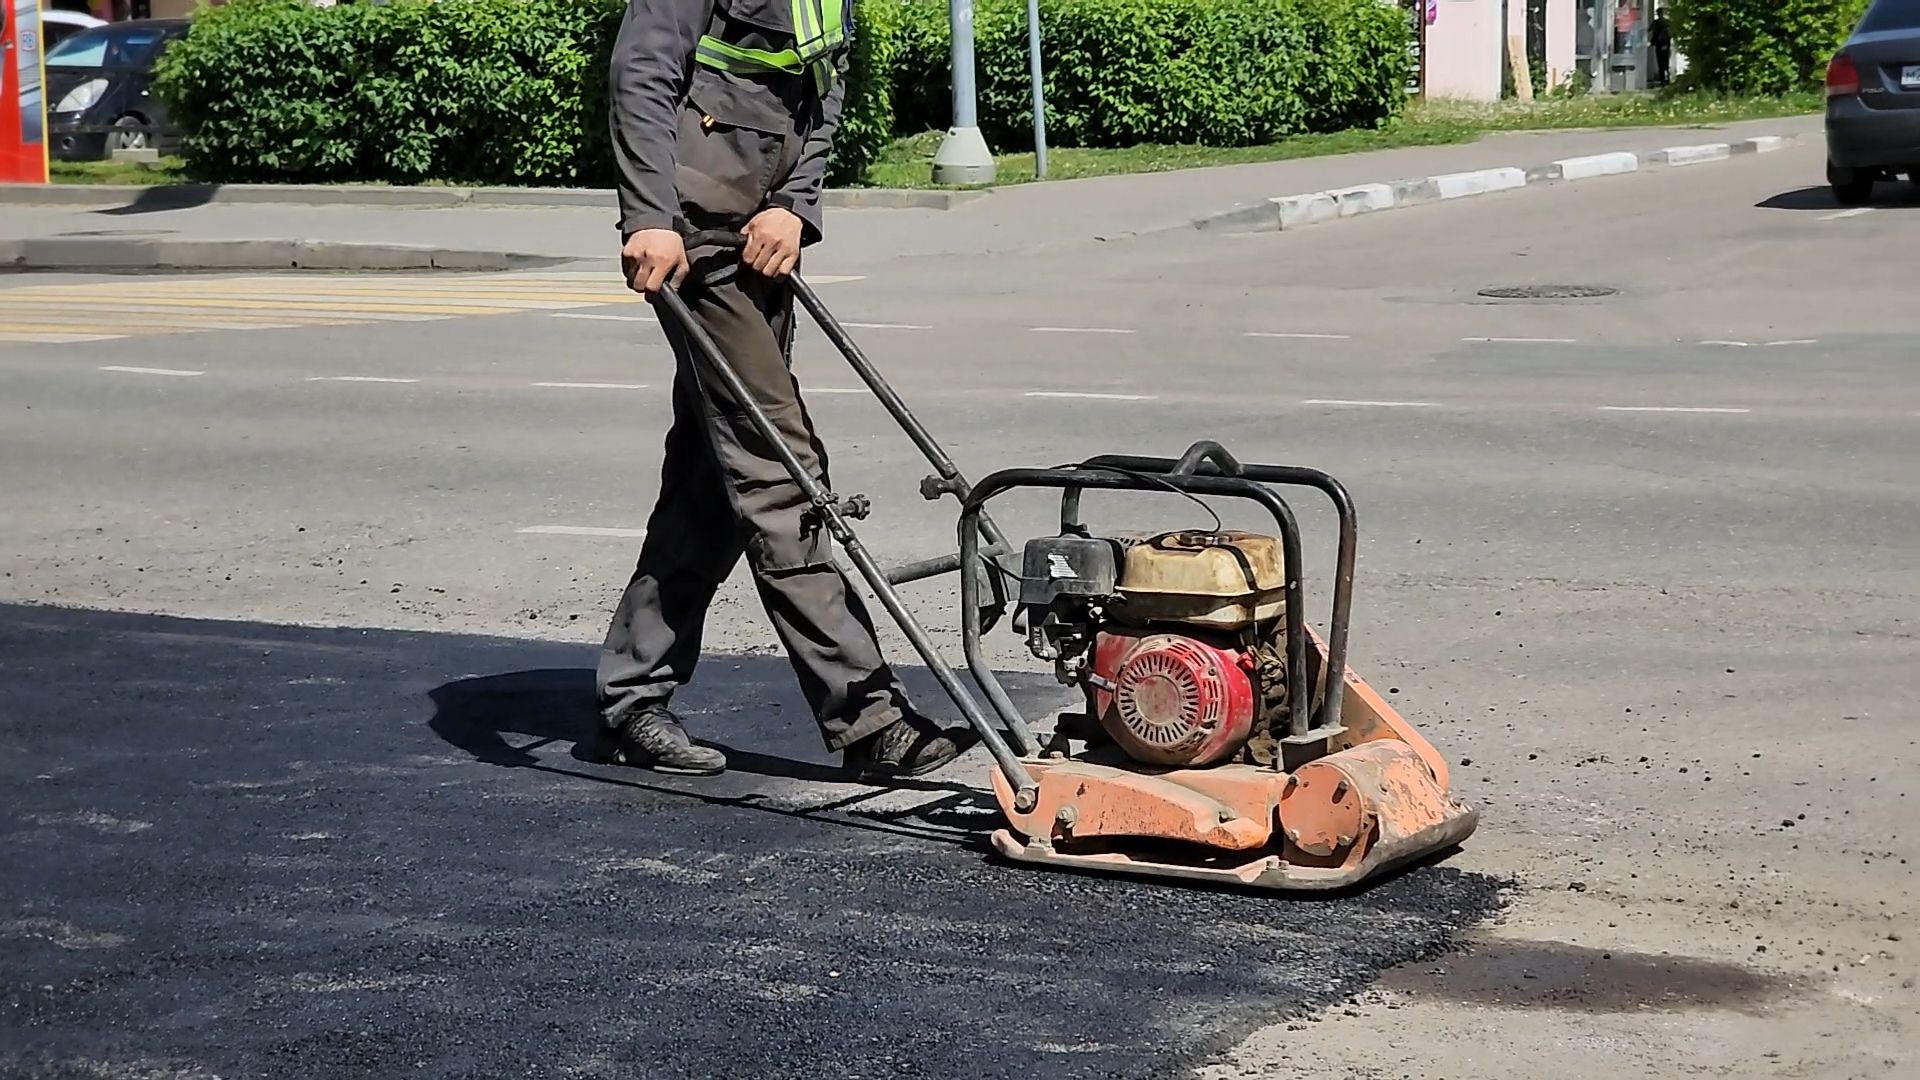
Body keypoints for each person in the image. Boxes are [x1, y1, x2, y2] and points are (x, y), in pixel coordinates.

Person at [598, 0, 979, 781]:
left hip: (758, 243)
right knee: (781, 470)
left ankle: (632, 695)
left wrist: (794, 208)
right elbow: (642, 72)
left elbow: (823, 88)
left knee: (713, 483)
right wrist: (648, 215)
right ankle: (869, 719)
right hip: (694, 244)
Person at [1650, 7, 1673, 88]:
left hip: (1659, 45)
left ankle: (1663, 80)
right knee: (1666, 63)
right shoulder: (1667, 23)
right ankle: (1667, 80)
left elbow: (1649, 29)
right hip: (1666, 45)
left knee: (1660, 63)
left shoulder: (1656, 23)